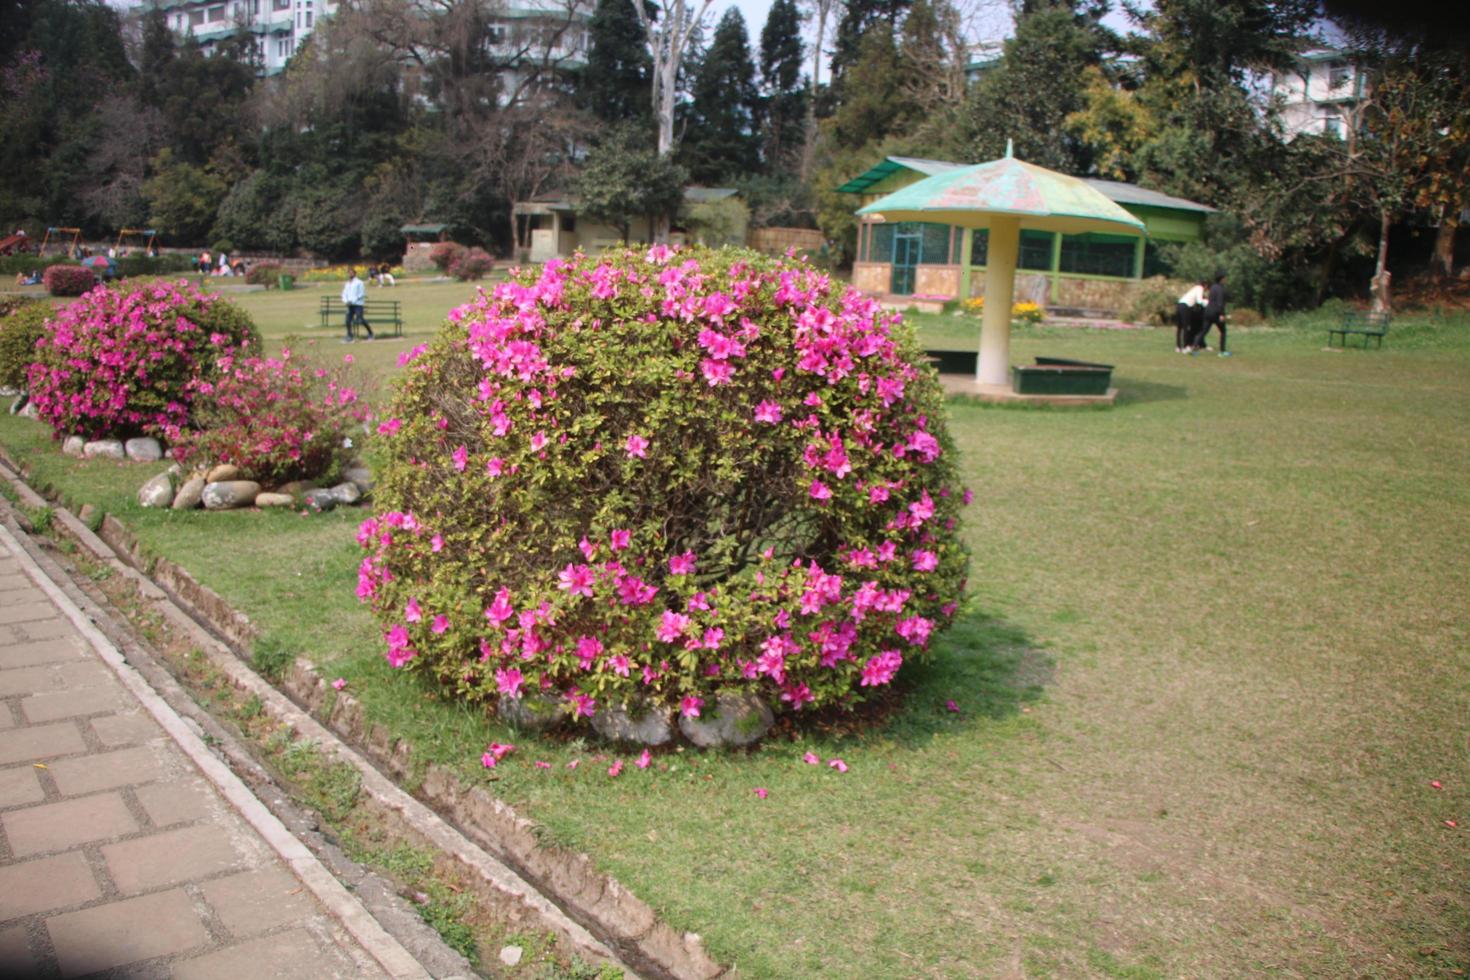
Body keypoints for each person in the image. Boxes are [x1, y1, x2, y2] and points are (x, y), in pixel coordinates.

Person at [1195, 271, 1230, 357]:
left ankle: (1193, 348)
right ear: (1221, 279)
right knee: (1223, 331)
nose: (1226, 279)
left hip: (1208, 312)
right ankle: (1222, 351)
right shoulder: (1220, 289)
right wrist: (1222, 314)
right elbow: (1220, 303)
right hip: (1216, 313)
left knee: (1204, 331)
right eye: (1225, 278)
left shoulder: (1213, 287)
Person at [341, 269, 374, 342]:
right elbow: (344, 293)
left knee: (360, 320)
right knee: (347, 320)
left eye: (351, 273)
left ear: (355, 274)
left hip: (358, 304)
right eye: (349, 273)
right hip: (350, 305)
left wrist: (353, 300)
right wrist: (345, 301)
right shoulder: (347, 284)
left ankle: (370, 333)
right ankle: (349, 336)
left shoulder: (359, 282)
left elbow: (361, 294)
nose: (350, 274)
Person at [1174, 279, 1206, 353]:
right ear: (1205, 285)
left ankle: (1178, 346)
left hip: (1179, 305)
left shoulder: (1194, 289)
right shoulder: (1200, 288)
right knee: (1186, 327)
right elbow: (1199, 301)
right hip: (1186, 307)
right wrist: (1207, 302)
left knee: (1179, 328)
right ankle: (1185, 346)